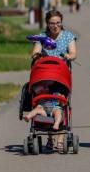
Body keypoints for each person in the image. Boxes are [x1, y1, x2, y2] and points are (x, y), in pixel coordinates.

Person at [31, 10, 77, 149]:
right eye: (52, 23)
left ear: (61, 22)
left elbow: (74, 53)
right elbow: (36, 51)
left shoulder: (68, 36)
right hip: (45, 76)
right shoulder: (42, 37)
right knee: (45, 103)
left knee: (60, 103)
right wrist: (37, 54)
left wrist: (69, 56)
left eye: (58, 23)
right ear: (47, 23)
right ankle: (50, 138)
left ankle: (61, 138)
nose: (55, 26)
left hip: (61, 76)